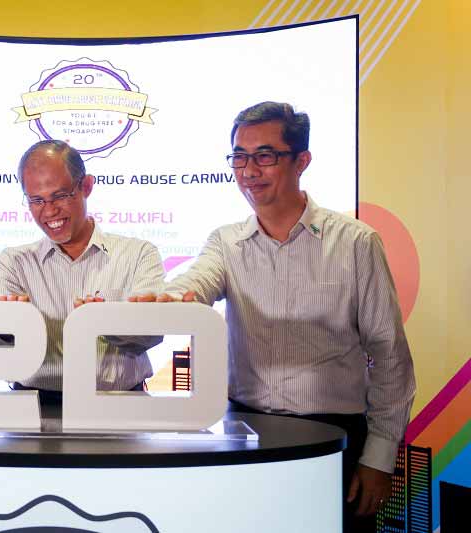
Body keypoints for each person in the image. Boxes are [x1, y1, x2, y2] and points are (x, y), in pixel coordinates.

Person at [155, 102, 415, 532]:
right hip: (245, 431)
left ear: (302, 161)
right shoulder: (226, 242)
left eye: (265, 155)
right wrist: (161, 301)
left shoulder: (355, 242)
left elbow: (390, 358)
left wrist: (379, 458)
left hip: (335, 438)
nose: (249, 170)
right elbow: (194, 283)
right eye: (239, 156)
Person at [0, 140, 164, 403]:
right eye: (36, 200)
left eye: (60, 196)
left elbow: (153, 331)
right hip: (32, 408)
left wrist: (106, 321)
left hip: (121, 408)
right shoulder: (14, 262)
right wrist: (9, 326)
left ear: (86, 186)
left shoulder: (138, 254)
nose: (50, 211)